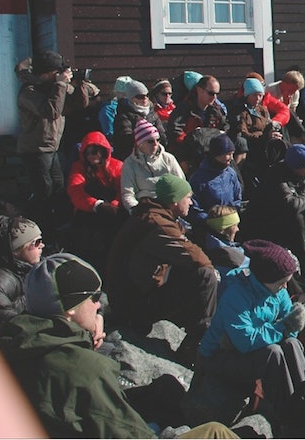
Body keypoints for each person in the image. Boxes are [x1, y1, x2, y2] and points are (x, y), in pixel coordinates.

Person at [0, 253, 156, 438]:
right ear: (71, 306)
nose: (98, 306)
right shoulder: (88, 369)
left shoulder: (5, 347)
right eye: (95, 297)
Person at [105, 174, 218, 364]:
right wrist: (214, 272)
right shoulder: (156, 223)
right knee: (206, 276)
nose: (191, 202)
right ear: (175, 200)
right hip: (131, 308)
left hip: (129, 298)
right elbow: (197, 258)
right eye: (188, 197)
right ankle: (194, 346)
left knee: (193, 270)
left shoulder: (152, 215)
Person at [196, 240, 305, 415]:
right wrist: (284, 326)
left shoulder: (278, 292)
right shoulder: (236, 295)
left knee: (291, 344)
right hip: (219, 357)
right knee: (273, 353)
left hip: (248, 351)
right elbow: (245, 341)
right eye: (282, 282)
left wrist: (291, 325)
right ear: (266, 279)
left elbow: (290, 331)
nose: (285, 287)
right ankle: (289, 413)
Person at [252, 144, 305, 277]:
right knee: (296, 216)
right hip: (274, 219)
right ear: (295, 168)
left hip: (299, 209)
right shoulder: (277, 176)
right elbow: (290, 205)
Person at [16, 51, 73, 224]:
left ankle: (55, 224)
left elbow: (76, 100)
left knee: (58, 186)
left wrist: (73, 84)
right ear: (45, 74)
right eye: (56, 72)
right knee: (43, 190)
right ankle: (41, 227)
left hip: (51, 148)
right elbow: (51, 111)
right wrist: (60, 84)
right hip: (35, 149)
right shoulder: (29, 92)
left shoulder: (50, 87)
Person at [65, 131, 124, 268]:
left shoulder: (117, 166)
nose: (91, 156)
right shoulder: (79, 167)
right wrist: (96, 205)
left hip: (112, 211)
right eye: (87, 153)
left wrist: (114, 205)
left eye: (94, 152)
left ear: (103, 151)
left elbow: (123, 190)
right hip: (88, 212)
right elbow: (75, 191)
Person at [0, 217, 45, 335]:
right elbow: (5, 323)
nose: (42, 245)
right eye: (36, 242)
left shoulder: (30, 268)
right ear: (15, 251)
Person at [120, 119, 184, 212]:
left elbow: (181, 186)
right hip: (144, 208)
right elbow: (127, 194)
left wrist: (175, 208)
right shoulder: (129, 163)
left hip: (169, 206)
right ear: (139, 144)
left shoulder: (168, 158)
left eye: (158, 140)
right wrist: (137, 211)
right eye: (150, 141)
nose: (155, 144)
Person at [189, 134, 243, 221]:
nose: (231, 158)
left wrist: (232, 214)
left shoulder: (231, 173)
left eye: (232, 154)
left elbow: (237, 198)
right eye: (228, 154)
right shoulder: (198, 178)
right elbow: (194, 207)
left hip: (230, 221)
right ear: (217, 154)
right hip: (208, 224)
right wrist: (211, 220)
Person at [112, 80, 168, 161]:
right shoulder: (124, 116)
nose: (145, 99)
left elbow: (162, 134)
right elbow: (126, 138)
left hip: (155, 153)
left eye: (147, 95)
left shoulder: (152, 113)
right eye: (140, 96)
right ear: (131, 98)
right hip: (132, 157)